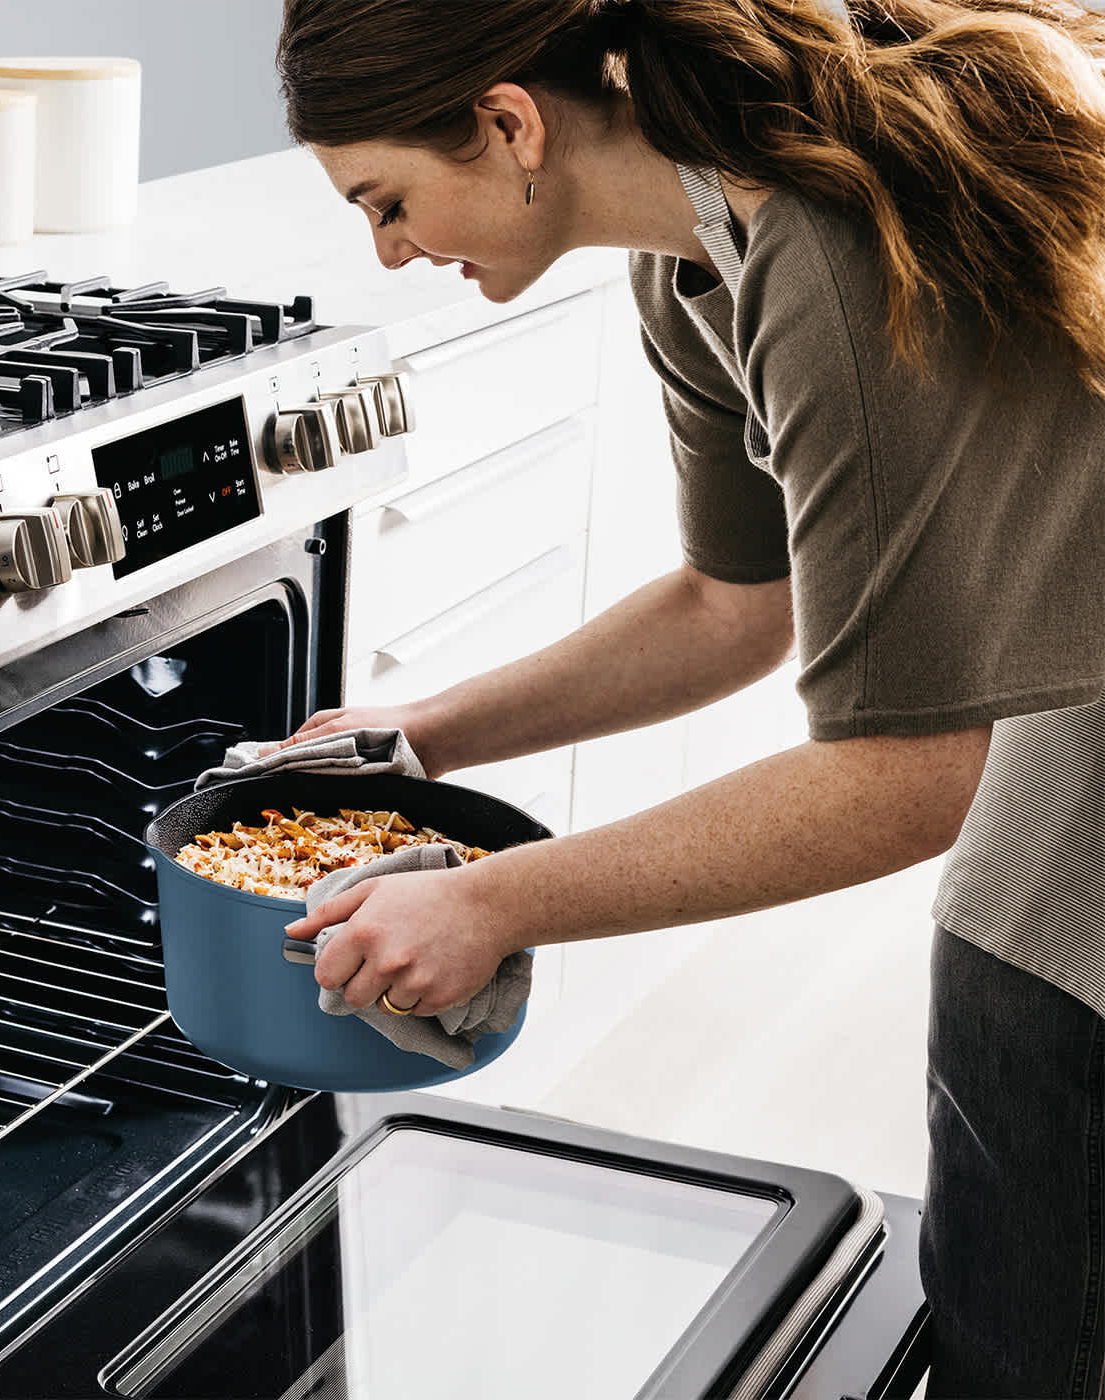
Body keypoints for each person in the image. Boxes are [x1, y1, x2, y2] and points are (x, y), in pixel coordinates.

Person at [273, 1, 1105, 1393]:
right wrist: (417, 737)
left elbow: (900, 781)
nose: (392, 251)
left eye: (389, 200)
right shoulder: (694, 265)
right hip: (1074, 687)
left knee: (1035, 1199)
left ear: (509, 124)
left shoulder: (825, 254)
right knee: (1011, 1060)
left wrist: (492, 900)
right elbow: (735, 606)